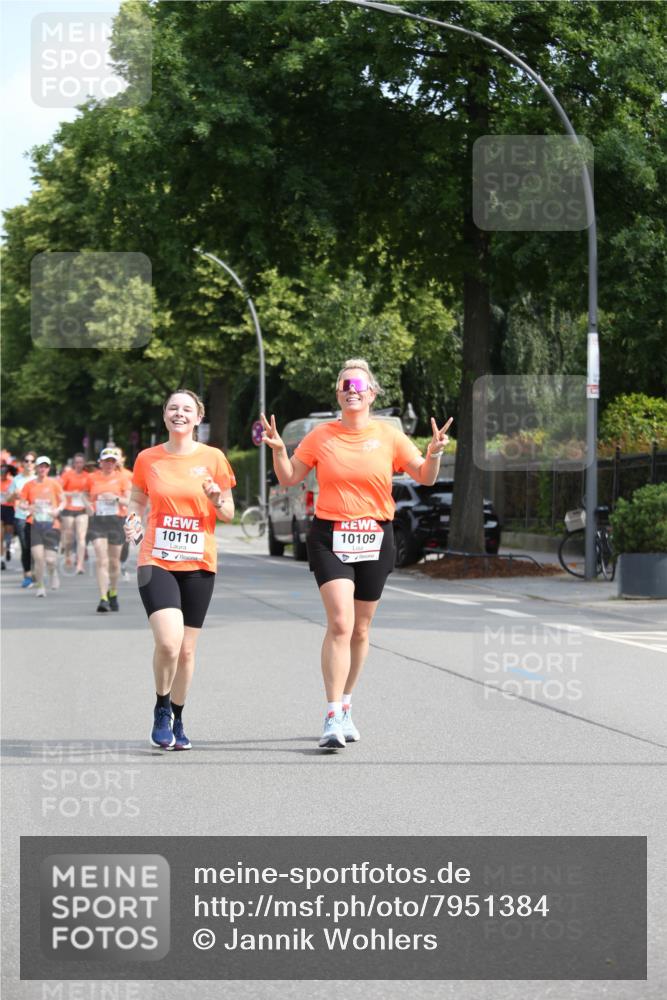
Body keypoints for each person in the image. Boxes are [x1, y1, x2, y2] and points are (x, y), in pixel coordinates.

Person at [261, 358, 452, 750]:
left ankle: (346, 704)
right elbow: (289, 478)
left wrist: (433, 452)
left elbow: (425, 476)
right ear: (338, 393)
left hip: (375, 536)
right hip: (330, 535)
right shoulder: (320, 436)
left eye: (359, 385)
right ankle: (332, 715)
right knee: (341, 623)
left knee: (362, 629)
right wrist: (280, 450)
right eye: (345, 385)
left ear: (372, 394)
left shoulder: (389, 436)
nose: (352, 390)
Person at [124, 389, 235, 751]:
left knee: (187, 651)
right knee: (169, 643)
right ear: (165, 415)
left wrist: (218, 499)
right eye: (173, 408)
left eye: (187, 409)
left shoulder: (214, 458)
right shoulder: (148, 458)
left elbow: (229, 512)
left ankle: (178, 714)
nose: (179, 413)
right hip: (155, 558)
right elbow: (138, 497)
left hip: (199, 561)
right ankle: (161, 707)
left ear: (198, 417)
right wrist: (131, 518)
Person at [87, 447, 131, 612]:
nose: (109, 464)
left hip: (116, 521)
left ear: (116, 463)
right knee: (101, 559)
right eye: (106, 461)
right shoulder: (92, 478)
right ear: (101, 462)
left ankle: (113, 591)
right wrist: (88, 507)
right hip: (98, 520)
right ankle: (103, 597)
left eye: (112, 461)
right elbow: (84, 496)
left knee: (114, 562)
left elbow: (129, 501)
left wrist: (116, 498)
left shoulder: (122, 479)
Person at [18, 456, 64, 597]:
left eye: (46, 466)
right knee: (38, 558)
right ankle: (41, 586)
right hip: (34, 523)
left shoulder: (54, 484)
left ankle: (53, 572)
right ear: (37, 468)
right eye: (40, 466)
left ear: (48, 469)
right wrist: (26, 506)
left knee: (50, 560)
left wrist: (58, 510)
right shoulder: (29, 485)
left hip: (51, 524)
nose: (43, 469)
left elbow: (63, 501)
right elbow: (21, 502)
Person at [6, 452, 37, 587]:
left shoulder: (38, 479)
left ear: (35, 464)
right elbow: (7, 499)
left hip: (36, 517)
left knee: (35, 547)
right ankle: (27, 574)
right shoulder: (17, 480)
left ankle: (35, 571)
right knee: (25, 546)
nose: (29, 463)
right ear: (22, 463)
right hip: (20, 516)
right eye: (26, 461)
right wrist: (14, 494)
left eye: (32, 461)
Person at [59, 452, 91, 574]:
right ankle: (68, 554)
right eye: (76, 462)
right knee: (69, 537)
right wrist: (71, 494)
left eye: (81, 462)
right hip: (68, 509)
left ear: (84, 463)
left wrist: (85, 496)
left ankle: (80, 564)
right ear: (73, 463)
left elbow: (91, 492)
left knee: (81, 537)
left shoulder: (88, 476)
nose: (79, 464)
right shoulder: (67, 475)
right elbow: (59, 491)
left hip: (82, 510)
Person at [1, 458, 17, 570]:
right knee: (0, 535)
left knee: (9, 531)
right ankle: (1, 559)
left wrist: (8, 495)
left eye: (5, 472)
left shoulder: (12, 481)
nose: (3, 474)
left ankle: (8, 546)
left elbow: (15, 495)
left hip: (10, 508)